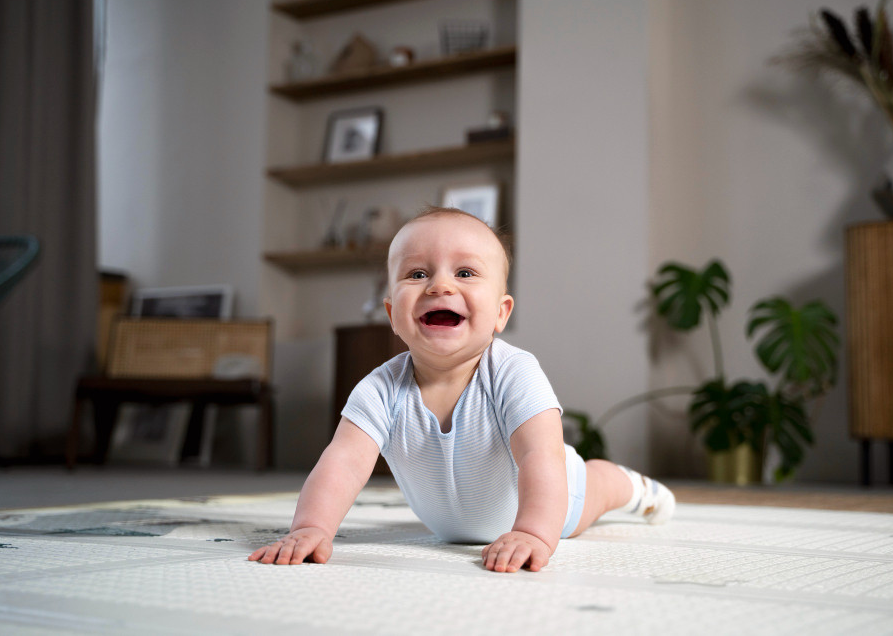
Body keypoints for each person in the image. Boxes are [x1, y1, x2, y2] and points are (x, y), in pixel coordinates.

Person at [249, 207, 675, 573]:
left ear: (500, 312)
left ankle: (635, 488)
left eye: (465, 272)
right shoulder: (379, 389)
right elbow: (341, 463)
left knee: (598, 485)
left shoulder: (513, 372)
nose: (439, 286)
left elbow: (538, 456)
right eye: (417, 274)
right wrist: (312, 527)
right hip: (451, 528)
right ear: (392, 312)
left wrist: (531, 533)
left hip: (552, 502)